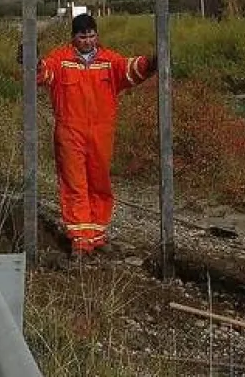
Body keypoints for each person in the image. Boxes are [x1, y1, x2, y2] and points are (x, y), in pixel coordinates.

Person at [22, 13, 157, 258]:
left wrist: (151, 63)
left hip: (101, 133)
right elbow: (44, 74)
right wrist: (33, 62)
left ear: (97, 36)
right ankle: (80, 241)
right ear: (73, 37)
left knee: (99, 183)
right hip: (70, 131)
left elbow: (130, 69)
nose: (88, 41)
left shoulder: (109, 60)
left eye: (92, 35)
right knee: (74, 184)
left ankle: (97, 236)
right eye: (82, 36)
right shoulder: (61, 60)